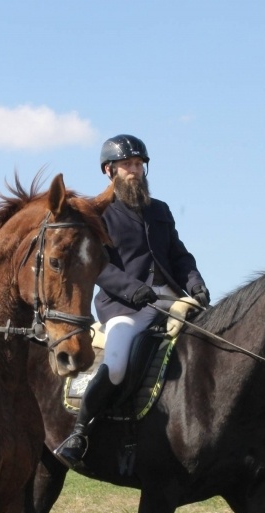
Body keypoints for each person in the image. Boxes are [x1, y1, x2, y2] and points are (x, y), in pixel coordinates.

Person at [54, 134, 209, 469]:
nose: (135, 170)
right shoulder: (98, 212)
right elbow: (96, 264)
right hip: (126, 307)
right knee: (117, 365)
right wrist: (132, 289)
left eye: (139, 164)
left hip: (172, 299)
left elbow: (179, 255)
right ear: (109, 170)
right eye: (127, 164)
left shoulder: (160, 210)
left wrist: (196, 284)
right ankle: (80, 433)